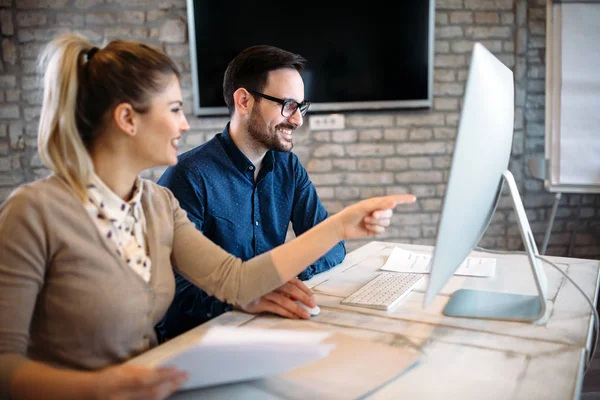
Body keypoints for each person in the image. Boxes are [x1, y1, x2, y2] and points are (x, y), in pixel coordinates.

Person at [0, 33, 416, 400]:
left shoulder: (155, 203)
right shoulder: (33, 212)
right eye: (175, 109)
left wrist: (340, 226)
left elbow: (236, 280)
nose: (185, 124)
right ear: (128, 119)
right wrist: (100, 389)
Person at [155, 45, 345, 340]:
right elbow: (172, 294)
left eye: (301, 107)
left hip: (268, 327)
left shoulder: (288, 167)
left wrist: (282, 277)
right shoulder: (188, 176)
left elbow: (332, 245)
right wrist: (246, 293)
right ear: (244, 101)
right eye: (288, 105)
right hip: (201, 341)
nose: (297, 120)